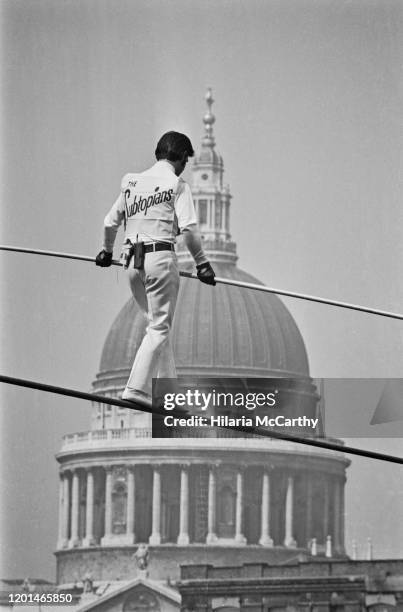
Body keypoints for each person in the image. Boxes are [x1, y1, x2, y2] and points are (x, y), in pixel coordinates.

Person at [95, 131, 215, 406]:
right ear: (183, 158)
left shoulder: (131, 182)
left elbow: (109, 222)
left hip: (131, 262)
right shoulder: (177, 185)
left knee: (157, 326)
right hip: (159, 260)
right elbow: (190, 231)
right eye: (186, 161)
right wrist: (202, 264)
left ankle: (169, 395)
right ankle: (136, 390)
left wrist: (106, 250)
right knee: (159, 329)